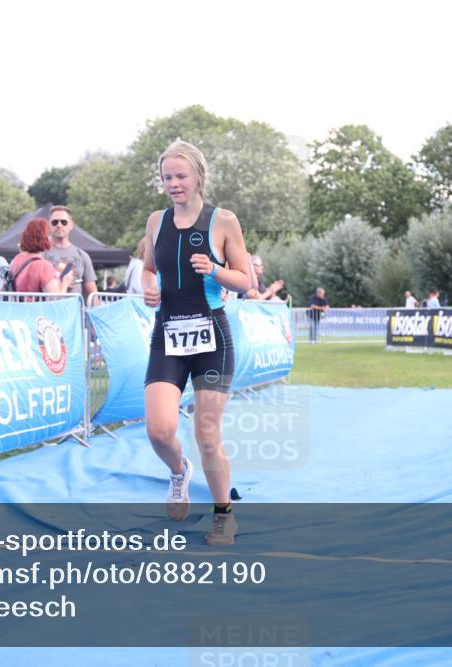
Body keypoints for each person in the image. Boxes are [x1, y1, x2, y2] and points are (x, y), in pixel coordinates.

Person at [142, 140, 251, 545]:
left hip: (211, 337)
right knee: (159, 430)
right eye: (167, 177)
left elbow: (246, 281)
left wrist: (216, 269)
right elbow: (149, 269)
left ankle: (224, 516)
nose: (173, 183)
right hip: (168, 335)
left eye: (180, 176)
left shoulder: (222, 221)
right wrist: (149, 288)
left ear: (198, 176)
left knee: (207, 434)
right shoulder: (156, 221)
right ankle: (178, 472)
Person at [44, 205, 98, 302]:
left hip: (74, 314)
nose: (59, 225)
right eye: (55, 222)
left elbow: (92, 294)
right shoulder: (40, 253)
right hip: (47, 313)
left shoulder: (82, 256)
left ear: (71, 225)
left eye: (64, 222)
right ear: (49, 225)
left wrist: (95, 315)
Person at [9, 218, 68, 297]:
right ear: (44, 238)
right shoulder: (44, 266)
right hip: (37, 308)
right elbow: (56, 299)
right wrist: (65, 283)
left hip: (18, 308)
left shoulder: (16, 260)